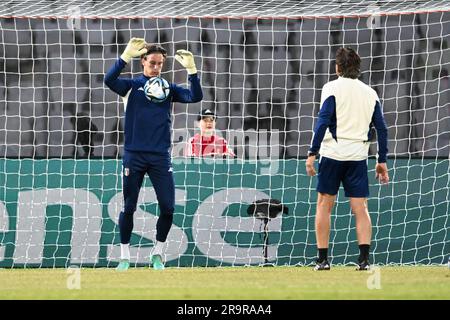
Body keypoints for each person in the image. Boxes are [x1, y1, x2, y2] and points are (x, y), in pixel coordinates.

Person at [104, 38, 203, 271]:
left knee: (168, 207)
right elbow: (108, 80)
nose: (157, 67)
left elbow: (195, 97)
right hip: (134, 155)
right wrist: (123, 57)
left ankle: (157, 254)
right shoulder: (131, 86)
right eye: (152, 62)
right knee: (129, 206)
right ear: (143, 62)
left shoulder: (168, 88)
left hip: (160, 156)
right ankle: (125, 257)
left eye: (160, 64)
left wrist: (192, 70)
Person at [305, 47, 389, 271]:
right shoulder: (370, 93)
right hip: (358, 156)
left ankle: (322, 260)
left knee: (324, 205)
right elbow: (382, 128)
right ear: (358, 68)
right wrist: (382, 160)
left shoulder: (331, 87)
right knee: (360, 208)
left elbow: (323, 121)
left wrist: (312, 153)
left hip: (333, 154)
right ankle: (364, 261)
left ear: (337, 67)